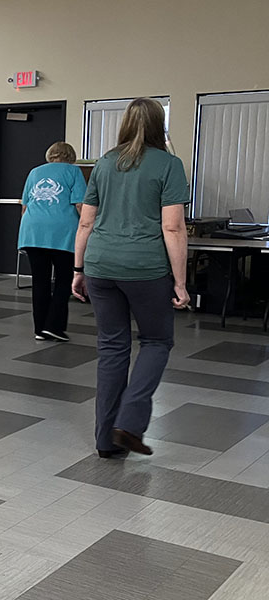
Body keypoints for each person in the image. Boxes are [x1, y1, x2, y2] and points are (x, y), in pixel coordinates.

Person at [72, 97, 190, 459]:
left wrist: (78, 269)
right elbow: (173, 227)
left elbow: (86, 221)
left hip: (101, 265)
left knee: (112, 348)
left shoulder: (105, 163)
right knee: (156, 342)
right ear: (160, 126)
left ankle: (105, 440)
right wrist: (181, 283)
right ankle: (130, 422)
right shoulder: (168, 165)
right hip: (144, 269)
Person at [18, 141, 86, 341]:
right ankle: (54, 326)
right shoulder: (74, 172)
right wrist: (90, 228)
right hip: (62, 231)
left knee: (40, 281)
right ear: (70, 156)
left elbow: (24, 206)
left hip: (32, 231)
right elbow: (80, 204)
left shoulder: (34, 172)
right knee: (64, 280)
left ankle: (40, 329)